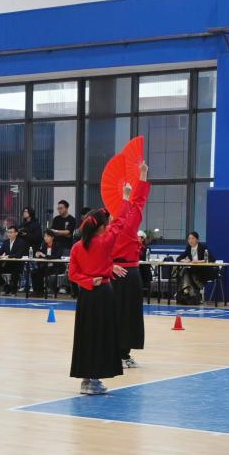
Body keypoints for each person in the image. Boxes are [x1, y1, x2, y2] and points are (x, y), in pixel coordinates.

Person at [68, 162, 148, 395]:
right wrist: (127, 196)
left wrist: (86, 282)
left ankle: (86, 379)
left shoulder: (77, 246)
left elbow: (72, 274)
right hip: (103, 292)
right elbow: (121, 221)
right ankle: (94, 379)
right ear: (103, 227)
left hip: (86, 295)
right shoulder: (106, 242)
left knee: (86, 336)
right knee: (102, 335)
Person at [112, 175, 152, 370]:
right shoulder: (127, 228)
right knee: (129, 315)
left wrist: (125, 198)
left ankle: (121, 353)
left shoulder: (109, 231)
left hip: (118, 274)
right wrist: (142, 177)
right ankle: (122, 354)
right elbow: (139, 202)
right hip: (127, 274)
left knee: (119, 314)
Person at [176, 231, 214, 303]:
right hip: (194, 270)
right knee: (186, 271)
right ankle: (189, 292)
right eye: (189, 239)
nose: (190, 240)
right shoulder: (188, 248)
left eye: (193, 238)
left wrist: (199, 261)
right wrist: (184, 260)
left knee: (187, 273)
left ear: (197, 240)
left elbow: (212, 259)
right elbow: (178, 258)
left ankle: (187, 291)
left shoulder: (203, 247)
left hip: (203, 271)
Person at [0, 226, 32, 294]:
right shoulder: (6, 242)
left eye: (11, 232)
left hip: (17, 264)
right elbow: (0, 252)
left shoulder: (21, 242)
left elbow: (19, 255)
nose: (9, 234)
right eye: (8, 232)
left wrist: (8, 256)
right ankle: (5, 285)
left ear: (16, 233)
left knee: (15, 272)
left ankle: (13, 289)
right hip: (8, 264)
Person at [33, 231, 67, 296]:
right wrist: (37, 254)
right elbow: (41, 254)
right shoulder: (44, 245)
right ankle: (38, 291)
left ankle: (49, 290)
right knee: (34, 272)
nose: (46, 238)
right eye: (45, 236)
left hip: (57, 266)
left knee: (44, 273)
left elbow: (57, 256)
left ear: (52, 237)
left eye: (48, 236)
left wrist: (44, 255)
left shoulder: (57, 245)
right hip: (47, 266)